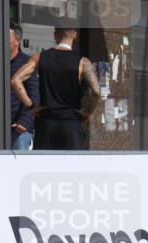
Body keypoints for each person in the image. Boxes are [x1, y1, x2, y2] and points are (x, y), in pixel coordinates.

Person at [11, 27, 100, 150]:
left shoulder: (39, 57)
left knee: (44, 167)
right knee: (72, 167)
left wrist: (31, 107)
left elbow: (16, 80)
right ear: (75, 35)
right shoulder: (83, 62)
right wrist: (86, 113)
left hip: (46, 124)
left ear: (54, 35)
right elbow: (95, 91)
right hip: (71, 125)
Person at [9, 22, 38, 150]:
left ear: (17, 41)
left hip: (19, 131)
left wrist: (24, 122)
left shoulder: (27, 64)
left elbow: (35, 96)